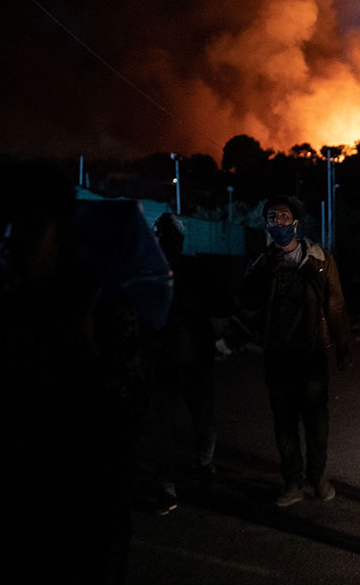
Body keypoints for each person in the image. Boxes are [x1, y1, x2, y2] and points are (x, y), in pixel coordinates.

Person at [0, 162, 146, 583]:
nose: (9, 236)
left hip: (88, 515)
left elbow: (128, 414)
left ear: (61, 228)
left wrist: (85, 350)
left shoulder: (101, 304)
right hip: (9, 510)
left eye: (28, 224)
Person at [239, 195, 350, 507]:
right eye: (272, 218)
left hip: (311, 354)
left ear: (296, 223)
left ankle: (317, 477)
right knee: (284, 421)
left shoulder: (320, 259)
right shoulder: (262, 262)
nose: (278, 222)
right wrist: (264, 272)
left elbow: (336, 305)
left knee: (317, 421)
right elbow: (247, 300)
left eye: (283, 216)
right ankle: (293, 482)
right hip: (278, 354)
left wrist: (343, 344)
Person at [139, 213, 217, 514]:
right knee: (165, 428)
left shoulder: (193, 270)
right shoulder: (150, 272)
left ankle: (201, 471)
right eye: (162, 235)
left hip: (194, 362)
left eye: (170, 236)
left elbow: (222, 303)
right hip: (166, 363)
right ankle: (171, 484)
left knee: (202, 423)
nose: (166, 241)